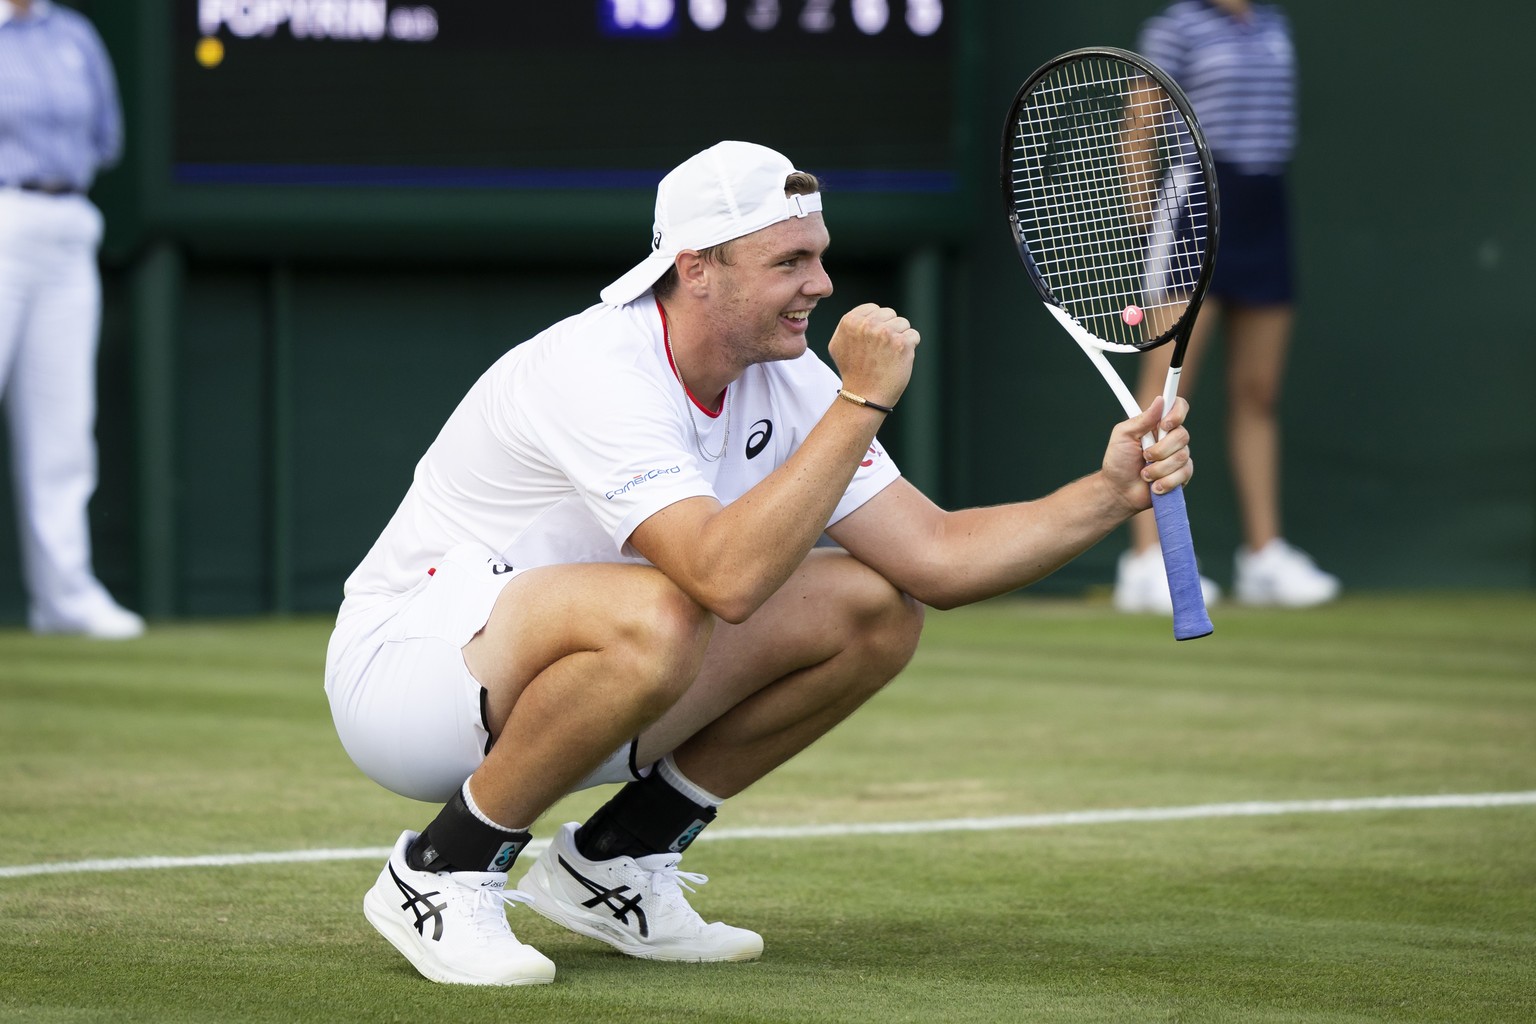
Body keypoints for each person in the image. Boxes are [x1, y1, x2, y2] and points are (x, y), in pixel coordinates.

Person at [324, 140, 1198, 986]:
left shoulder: (788, 376)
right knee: (664, 613)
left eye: (819, 257)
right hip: (411, 679)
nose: (819, 284)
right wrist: (860, 401)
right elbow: (724, 580)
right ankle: (440, 872)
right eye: (789, 261)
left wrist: (1107, 493)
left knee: (874, 607)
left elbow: (935, 558)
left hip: (578, 673)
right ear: (698, 267)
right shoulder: (594, 366)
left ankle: (616, 862)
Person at [1113, 0, 1339, 613]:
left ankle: (1264, 556)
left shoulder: (1273, 22)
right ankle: (1144, 561)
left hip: (1266, 205)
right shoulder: (1177, 26)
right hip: (1193, 203)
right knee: (1161, 398)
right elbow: (1142, 123)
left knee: (1259, 392)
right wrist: (1144, 222)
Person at [0, 0, 142, 638]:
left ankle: (63, 597)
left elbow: (107, 136)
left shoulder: (74, 34)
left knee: (63, 426)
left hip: (68, 229)